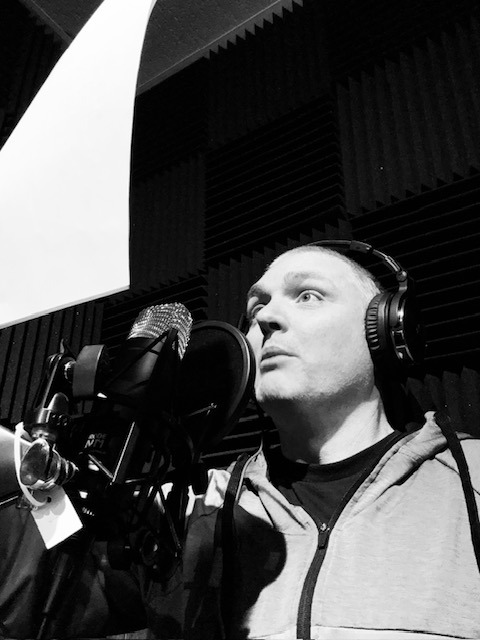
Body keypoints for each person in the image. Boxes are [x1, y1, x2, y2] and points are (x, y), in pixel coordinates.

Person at [2, 242, 480, 640]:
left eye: (308, 296)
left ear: (387, 328)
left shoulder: (471, 484)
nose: (267, 318)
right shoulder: (190, 513)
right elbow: (27, 607)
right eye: (256, 309)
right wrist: (35, 480)